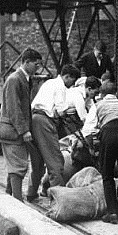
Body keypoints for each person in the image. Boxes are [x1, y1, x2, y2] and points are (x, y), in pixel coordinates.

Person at [0, 48, 42, 201]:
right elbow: (14, 108)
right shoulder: (15, 79)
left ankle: (9, 197)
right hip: (12, 131)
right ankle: (18, 202)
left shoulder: (24, 79)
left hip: (14, 130)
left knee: (14, 164)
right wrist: (24, 130)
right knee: (18, 166)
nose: (38, 68)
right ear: (26, 62)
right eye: (36, 64)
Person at [84, 81, 118, 224]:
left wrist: (91, 147)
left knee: (107, 174)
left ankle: (112, 212)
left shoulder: (98, 105)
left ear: (101, 94)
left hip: (109, 133)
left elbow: (87, 130)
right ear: (117, 93)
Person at [27, 64, 81, 202]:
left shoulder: (49, 83)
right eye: (72, 81)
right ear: (67, 76)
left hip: (34, 118)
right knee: (56, 161)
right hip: (45, 121)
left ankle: (32, 193)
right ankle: (60, 199)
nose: (72, 84)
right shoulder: (60, 87)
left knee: (38, 160)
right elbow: (61, 110)